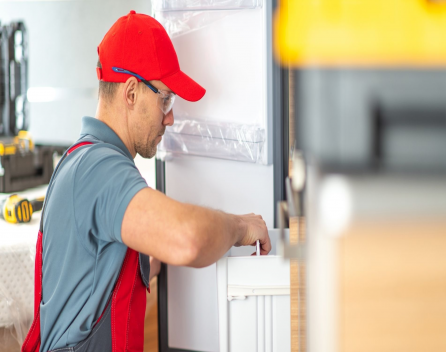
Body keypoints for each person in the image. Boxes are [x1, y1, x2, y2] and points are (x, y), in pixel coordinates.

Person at [22, 11, 270, 352]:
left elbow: (105, 273)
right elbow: (189, 239)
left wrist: (154, 257)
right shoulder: (100, 168)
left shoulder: (83, 160)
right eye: (165, 99)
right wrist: (241, 226)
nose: (170, 117)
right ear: (132, 93)